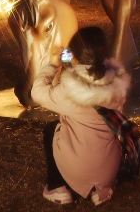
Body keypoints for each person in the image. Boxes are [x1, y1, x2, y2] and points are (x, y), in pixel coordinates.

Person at [31, 26, 132, 205]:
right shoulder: (117, 86)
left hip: (78, 168)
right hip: (108, 169)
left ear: (74, 56)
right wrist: (74, 64)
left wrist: (53, 65)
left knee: (51, 130)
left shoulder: (68, 93)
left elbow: (37, 92)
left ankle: (58, 186)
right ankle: (100, 190)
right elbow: (92, 73)